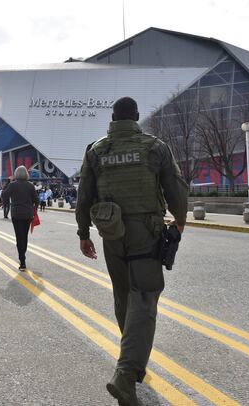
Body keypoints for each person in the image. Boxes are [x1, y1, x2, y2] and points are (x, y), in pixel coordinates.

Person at [75, 97, 188, 405]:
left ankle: (132, 359)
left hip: (111, 233)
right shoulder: (155, 147)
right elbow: (175, 190)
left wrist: (83, 234)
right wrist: (179, 221)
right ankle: (126, 374)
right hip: (146, 232)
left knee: (124, 295)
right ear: (136, 117)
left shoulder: (96, 150)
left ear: (113, 118)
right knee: (145, 295)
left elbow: (83, 196)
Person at [0, 166, 38, 271]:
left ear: (16, 174)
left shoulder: (12, 185)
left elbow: (4, 195)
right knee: (24, 237)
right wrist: (34, 210)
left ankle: (22, 261)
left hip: (16, 215)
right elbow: (36, 200)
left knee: (19, 237)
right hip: (27, 215)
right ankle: (23, 256)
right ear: (26, 174)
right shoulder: (30, 186)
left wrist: (8, 182)